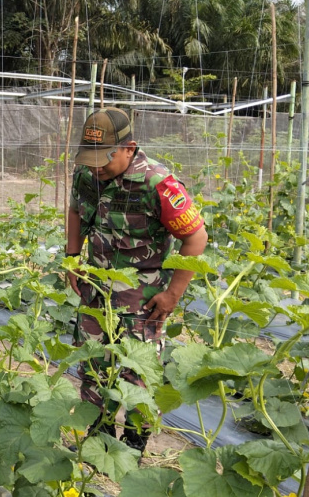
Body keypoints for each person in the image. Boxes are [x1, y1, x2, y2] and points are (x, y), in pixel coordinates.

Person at [65, 107, 208, 453]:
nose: (97, 166)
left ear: (129, 147)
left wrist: (173, 293)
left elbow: (196, 238)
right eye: (91, 156)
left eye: (106, 157)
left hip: (141, 296)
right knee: (94, 364)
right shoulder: (87, 175)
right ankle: (97, 442)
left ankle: (133, 447)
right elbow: (75, 211)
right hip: (96, 289)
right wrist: (72, 258)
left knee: (137, 373)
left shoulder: (157, 183)